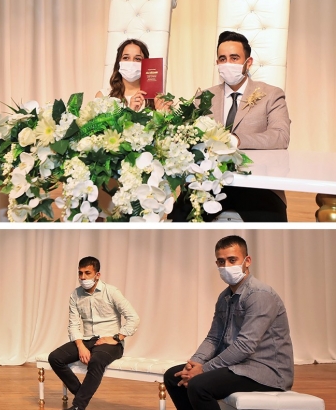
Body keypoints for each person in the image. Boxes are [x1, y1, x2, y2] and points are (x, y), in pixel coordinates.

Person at [163, 235, 293, 410]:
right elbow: (214, 338)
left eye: (232, 260)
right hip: (238, 366)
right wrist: (193, 364)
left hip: (266, 371)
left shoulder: (260, 294)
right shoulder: (224, 297)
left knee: (199, 385)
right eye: (221, 262)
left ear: (247, 261)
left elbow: (245, 346)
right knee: (173, 376)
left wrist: (204, 369)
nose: (226, 266)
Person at [201, 31, 290, 222]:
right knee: (179, 215)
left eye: (234, 58)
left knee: (271, 223)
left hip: (257, 183)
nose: (228, 64)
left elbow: (280, 136)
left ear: (248, 62)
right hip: (211, 182)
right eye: (222, 59)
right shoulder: (204, 97)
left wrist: (238, 140)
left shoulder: (271, 94)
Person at [48, 256, 140, 410]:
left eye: (87, 273)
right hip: (86, 340)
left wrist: (116, 338)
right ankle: (81, 395)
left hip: (110, 343)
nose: (83, 277)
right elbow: (73, 324)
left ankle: (78, 406)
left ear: (97, 275)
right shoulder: (75, 294)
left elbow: (133, 318)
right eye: (80, 273)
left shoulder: (111, 292)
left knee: (96, 360)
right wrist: (80, 346)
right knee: (55, 358)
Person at [95, 39, 171, 112]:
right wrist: (131, 111)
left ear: (146, 64)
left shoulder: (156, 99)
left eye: (137, 59)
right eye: (126, 58)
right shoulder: (103, 97)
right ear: (119, 62)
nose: (131, 62)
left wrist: (164, 113)